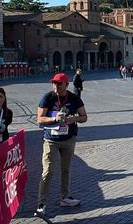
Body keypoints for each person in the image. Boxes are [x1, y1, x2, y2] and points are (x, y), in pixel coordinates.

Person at [35, 73, 88, 217]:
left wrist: (74, 119)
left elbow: (84, 117)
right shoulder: (48, 97)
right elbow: (39, 119)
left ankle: (65, 197)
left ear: (66, 84)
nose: (55, 86)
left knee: (66, 169)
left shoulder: (74, 98)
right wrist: (54, 117)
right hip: (51, 139)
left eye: (59, 83)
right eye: (54, 83)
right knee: (48, 171)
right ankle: (41, 203)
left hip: (68, 139)